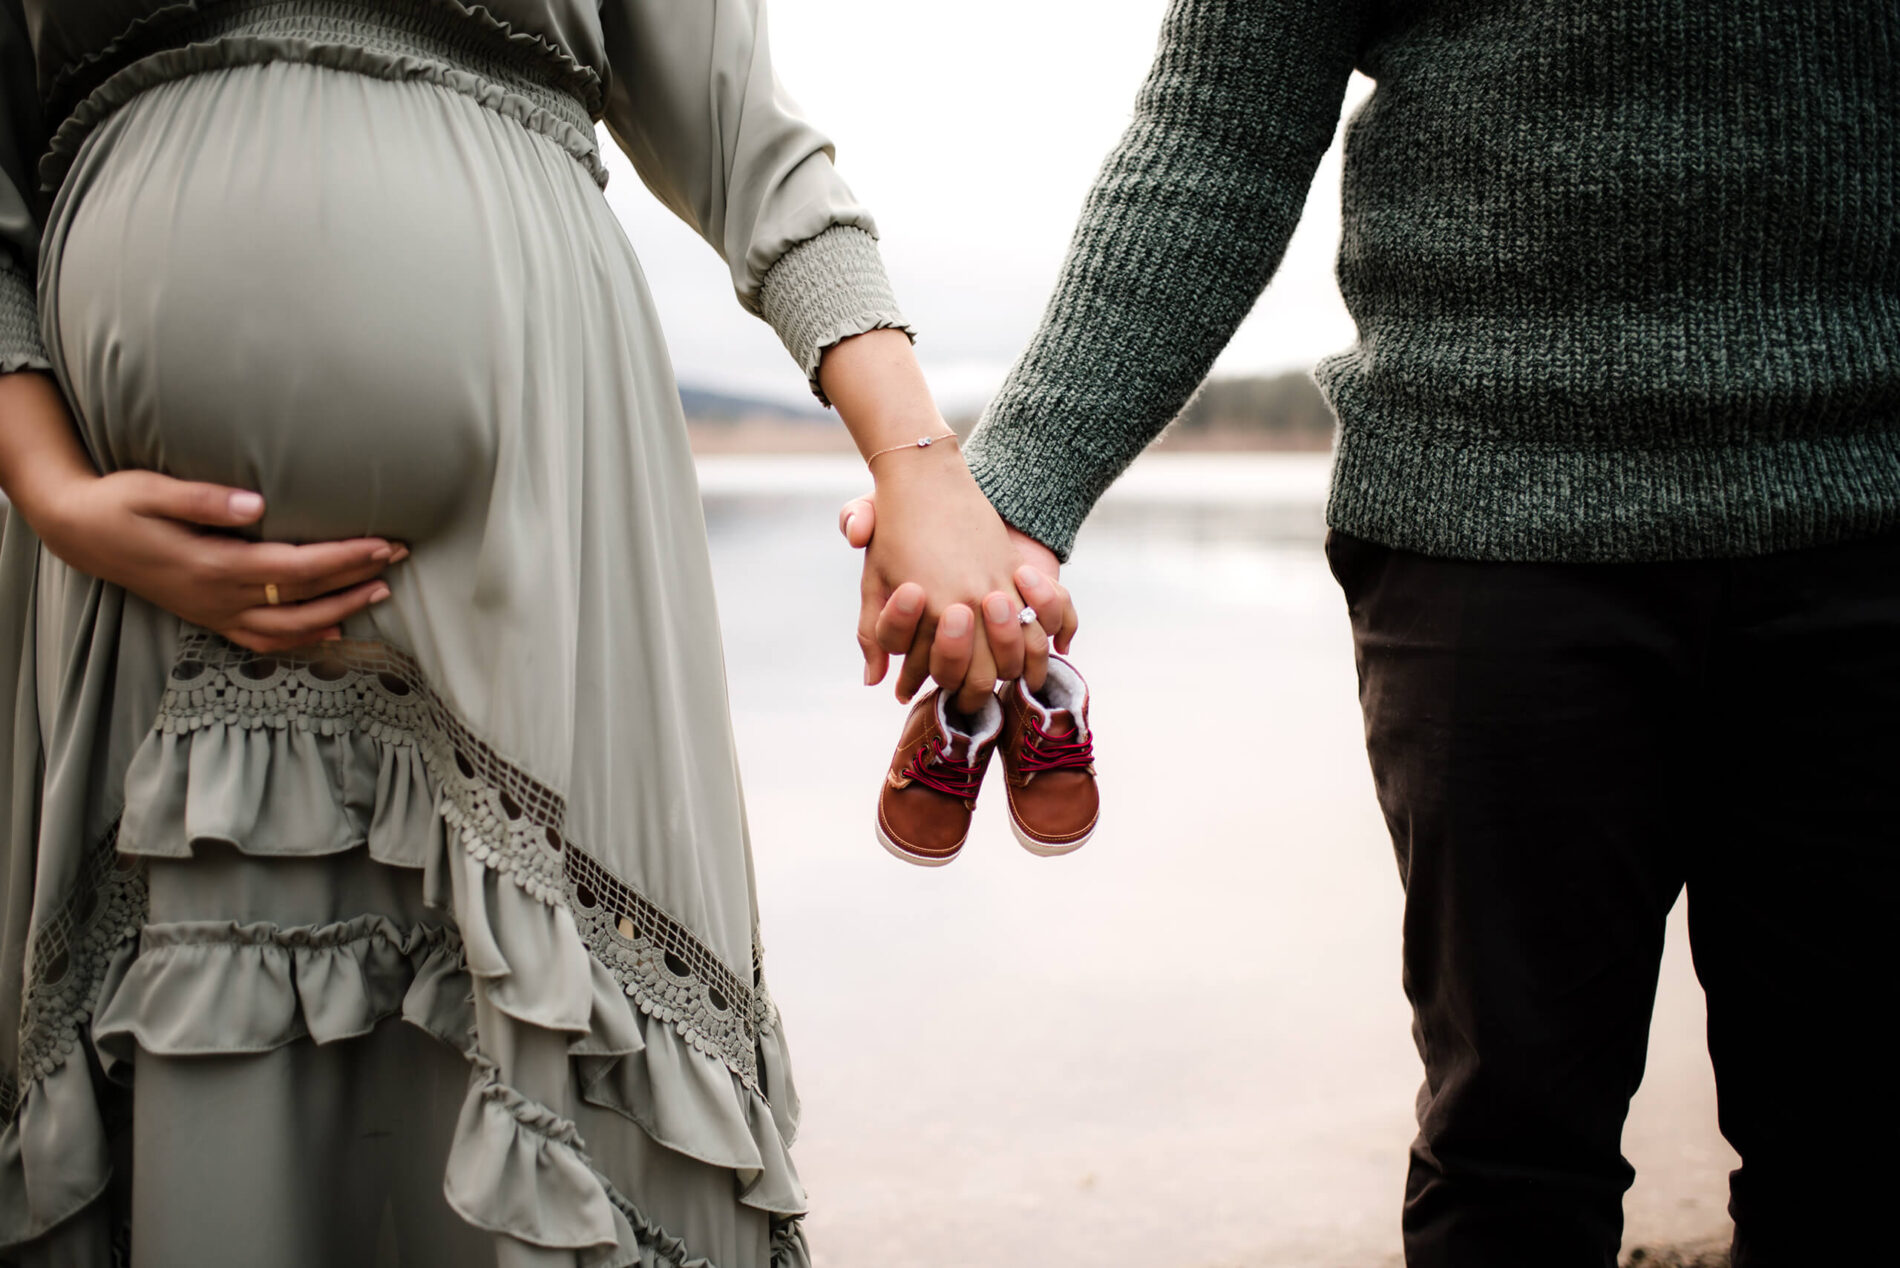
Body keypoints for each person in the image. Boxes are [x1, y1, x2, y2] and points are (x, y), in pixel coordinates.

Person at [844, 2, 1900, 1265]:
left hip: (1868, 509)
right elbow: (1217, 132)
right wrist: (1015, 495)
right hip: (1485, 523)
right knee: (1512, 1138)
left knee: (1863, 1139)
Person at [0, 1, 1042, 1263]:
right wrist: (45, 482)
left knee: (563, 1070)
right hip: (142, 599)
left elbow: (738, 127)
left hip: (545, 520)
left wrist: (914, 450)